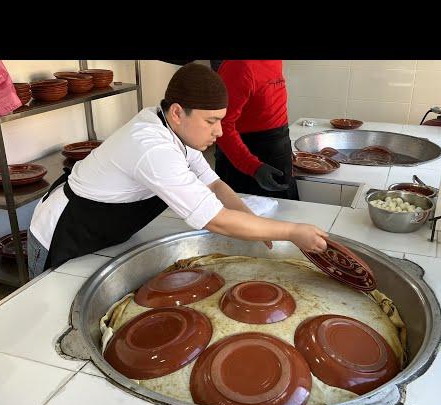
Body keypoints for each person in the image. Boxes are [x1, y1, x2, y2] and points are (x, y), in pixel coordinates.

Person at [27, 63, 327, 278]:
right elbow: (215, 220)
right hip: (65, 233)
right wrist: (291, 231)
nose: (220, 132)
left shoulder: (172, 129)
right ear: (177, 113)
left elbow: (214, 186)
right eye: (211, 121)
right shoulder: (153, 148)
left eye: (221, 120)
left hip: (103, 231)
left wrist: (253, 223)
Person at [214, 60, 298, 200]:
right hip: (247, 168)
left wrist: (284, 149)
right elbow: (222, 125)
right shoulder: (239, 65)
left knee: (287, 216)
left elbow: (270, 112)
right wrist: (253, 167)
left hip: (277, 159)